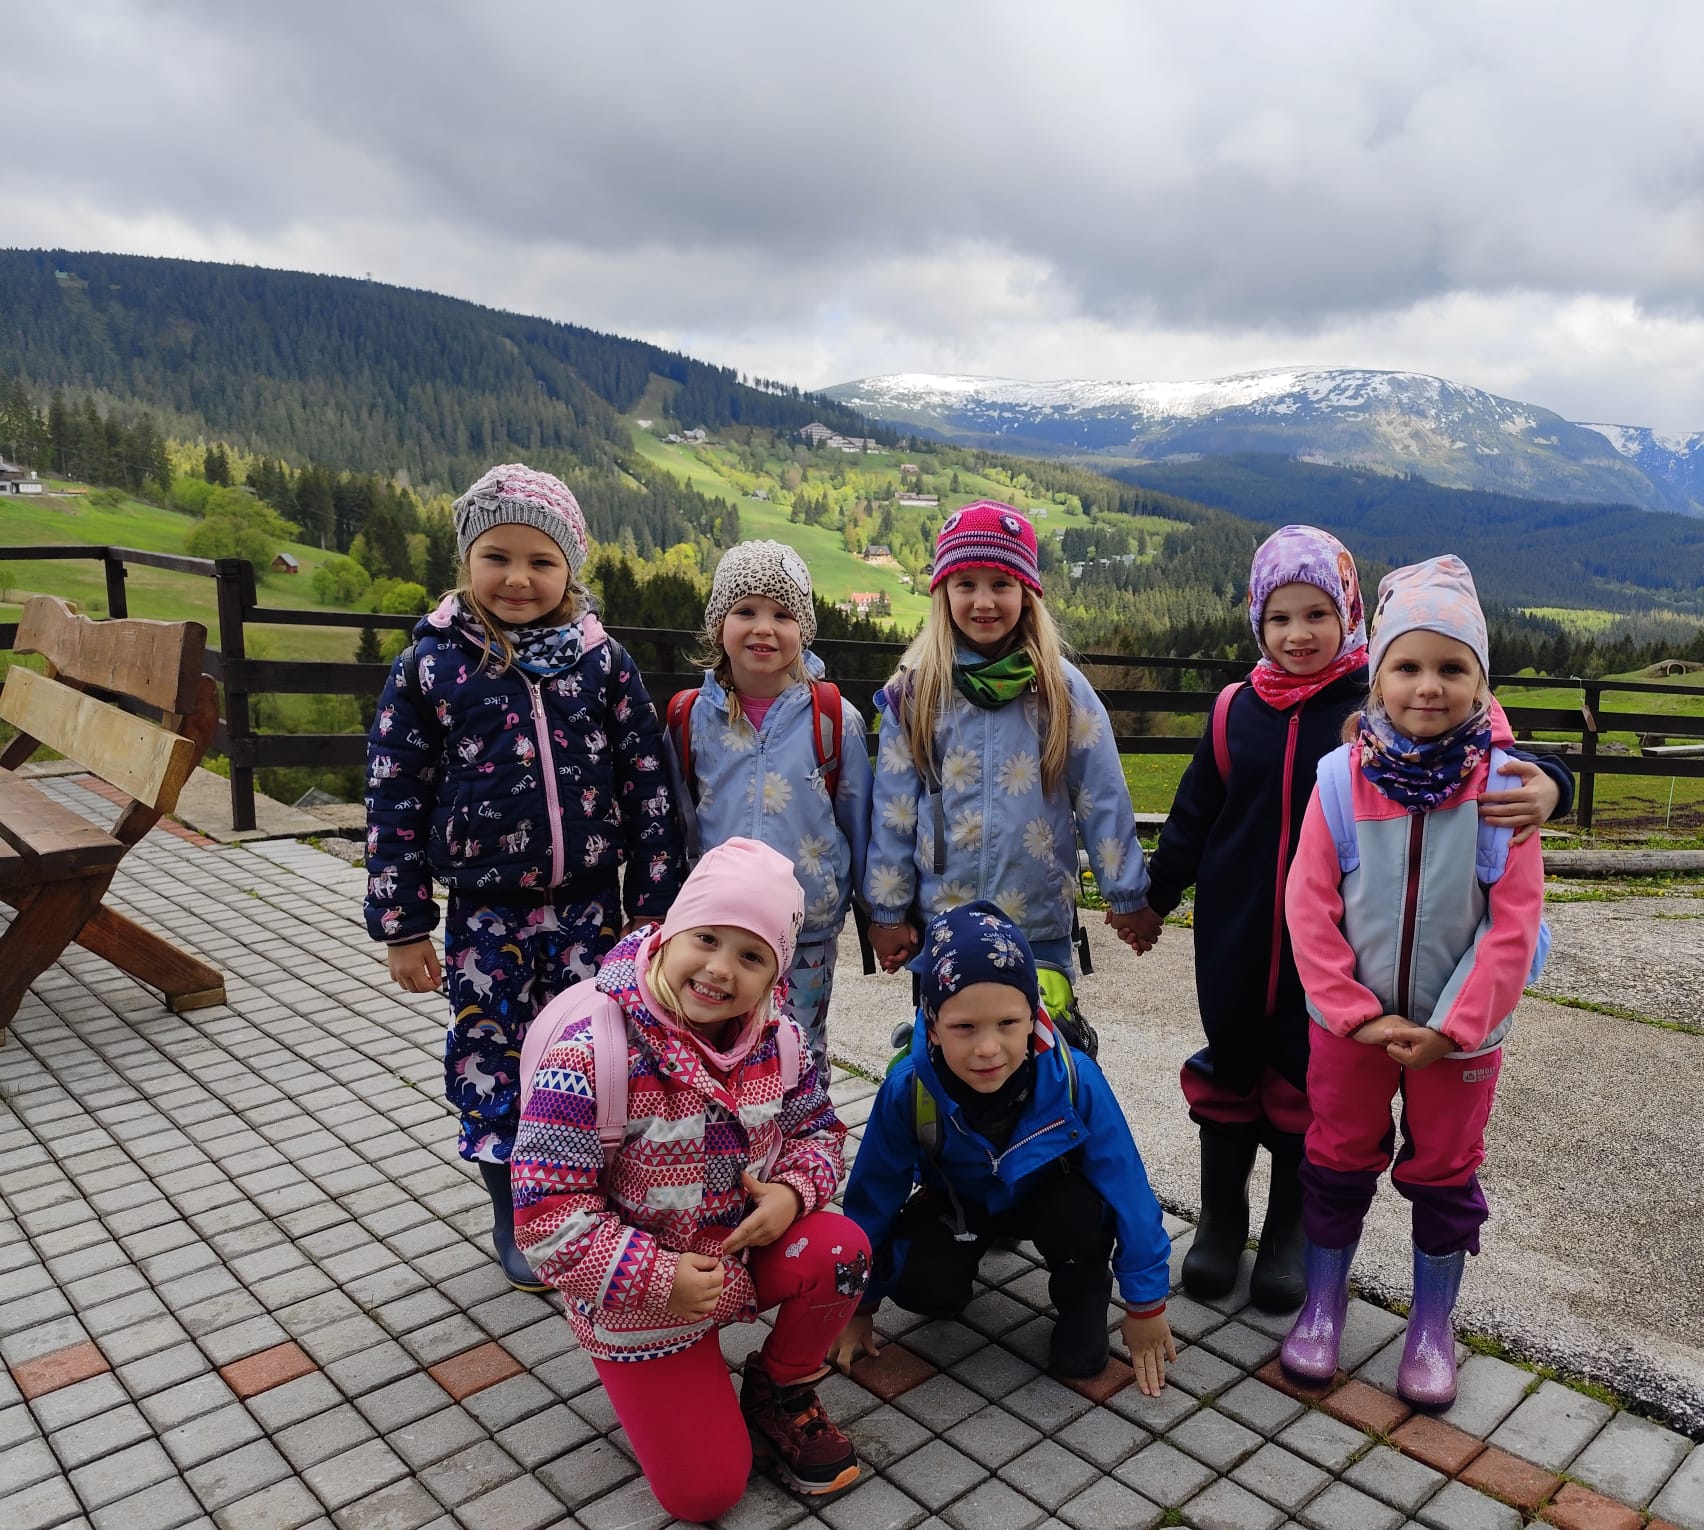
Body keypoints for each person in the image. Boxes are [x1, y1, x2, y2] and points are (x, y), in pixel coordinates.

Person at [1147, 527, 1570, 1313]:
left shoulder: (1374, 702)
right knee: (1229, 1070)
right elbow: (1192, 815)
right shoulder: (1235, 710)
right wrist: (1154, 897)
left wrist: (1554, 782)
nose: (1298, 634)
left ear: (1349, 616)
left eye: (1317, 614)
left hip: (1333, 961)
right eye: (1279, 618)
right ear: (1256, 622)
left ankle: (1287, 1233)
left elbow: (1489, 735)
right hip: (1238, 939)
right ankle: (1221, 1220)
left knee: (1305, 1090)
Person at [363, 463, 678, 1291]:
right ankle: (518, 1215)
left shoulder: (604, 664)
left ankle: (598, 1201)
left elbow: (648, 787)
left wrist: (653, 908)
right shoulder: (430, 666)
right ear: (466, 560)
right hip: (483, 917)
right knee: (494, 1062)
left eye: (541, 561)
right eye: (496, 557)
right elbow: (393, 797)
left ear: (570, 567)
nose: (517, 578)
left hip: (591, 912)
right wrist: (403, 926)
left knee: (599, 1059)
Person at [512, 839, 868, 1518]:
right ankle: (667, 1379)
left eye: (752, 956)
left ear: (776, 975)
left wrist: (793, 1191)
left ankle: (778, 1390)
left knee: (840, 1251)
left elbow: (821, 1132)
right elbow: (545, 1217)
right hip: (640, 1298)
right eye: (706, 938)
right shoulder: (593, 1053)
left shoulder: (780, 1040)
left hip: (737, 1254)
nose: (720, 969)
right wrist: (656, 1278)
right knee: (705, 1494)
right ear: (669, 931)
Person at [1280, 555, 1545, 1406]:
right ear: (1377, 676)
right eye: (1407, 666)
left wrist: (1453, 1027)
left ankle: (1432, 1326)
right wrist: (1352, 1013)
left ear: (1481, 681)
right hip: (1348, 1030)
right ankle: (1324, 1305)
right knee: (1336, 1160)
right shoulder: (1339, 780)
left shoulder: (1506, 789)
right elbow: (1308, 903)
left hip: (1457, 1039)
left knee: (1445, 1173)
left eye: (1452, 668)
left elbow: (1515, 923)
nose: (1428, 687)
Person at [829, 901, 1178, 1395]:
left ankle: (1083, 1292)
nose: (988, 1048)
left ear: (1032, 1017)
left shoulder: (1075, 1078)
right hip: (960, 1200)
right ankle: (963, 1257)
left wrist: (1145, 1305)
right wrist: (858, 1306)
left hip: (1052, 1200)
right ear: (932, 1025)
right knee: (926, 1293)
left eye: (1008, 1024)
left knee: (1082, 1347)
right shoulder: (908, 1089)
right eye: (964, 1027)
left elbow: (1130, 1193)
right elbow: (872, 1197)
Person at [864, 500, 1152, 998]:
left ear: (1026, 591)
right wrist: (887, 913)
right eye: (965, 584)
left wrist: (1127, 895)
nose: (984, 602)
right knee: (950, 1042)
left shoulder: (1062, 690)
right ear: (943, 592)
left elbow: (1101, 794)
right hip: (944, 924)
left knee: (1039, 1041)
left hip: (1037, 924)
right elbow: (894, 812)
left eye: (1001, 583)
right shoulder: (915, 693)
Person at [667, 539, 872, 1055]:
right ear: (719, 624)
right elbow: (676, 821)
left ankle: (802, 1113)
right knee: (711, 1049)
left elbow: (859, 825)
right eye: (746, 611)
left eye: (782, 615)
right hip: (714, 933)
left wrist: (879, 915)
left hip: (806, 931)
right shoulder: (690, 718)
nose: (764, 627)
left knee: (798, 1049)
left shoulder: (833, 719)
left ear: (804, 630)